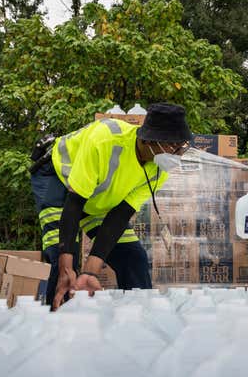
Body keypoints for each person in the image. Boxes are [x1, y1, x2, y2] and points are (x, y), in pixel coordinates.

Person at [30, 103, 191, 309]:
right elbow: (74, 204)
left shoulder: (158, 171)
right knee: (61, 264)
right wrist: (67, 264)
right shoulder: (105, 140)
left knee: (133, 258)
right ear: (149, 140)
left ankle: (139, 320)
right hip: (58, 179)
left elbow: (119, 217)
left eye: (182, 147)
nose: (178, 154)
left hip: (96, 199)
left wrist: (90, 271)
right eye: (173, 147)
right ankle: (57, 325)